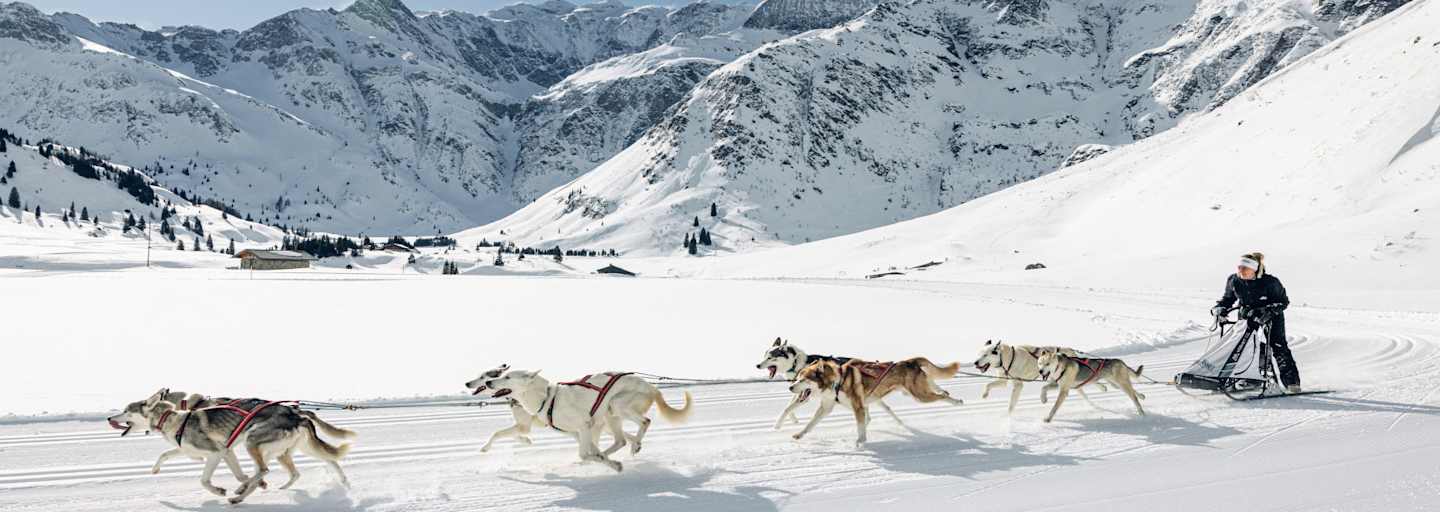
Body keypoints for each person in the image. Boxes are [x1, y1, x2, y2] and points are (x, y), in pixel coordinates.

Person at [1211, 252, 1300, 392]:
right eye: (1239, 267)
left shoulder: (1270, 282)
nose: (1241, 271)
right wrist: (1220, 308)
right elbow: (1228, 299)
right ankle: (1250, 378)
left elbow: (1283, 302)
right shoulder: (1234, 280)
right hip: (1247, 314)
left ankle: (1292, 383)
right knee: (1243, 345)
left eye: (1245, 268)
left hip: (1271, 315)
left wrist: (1268, 312)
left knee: (1278, 345)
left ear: (1254, 269)